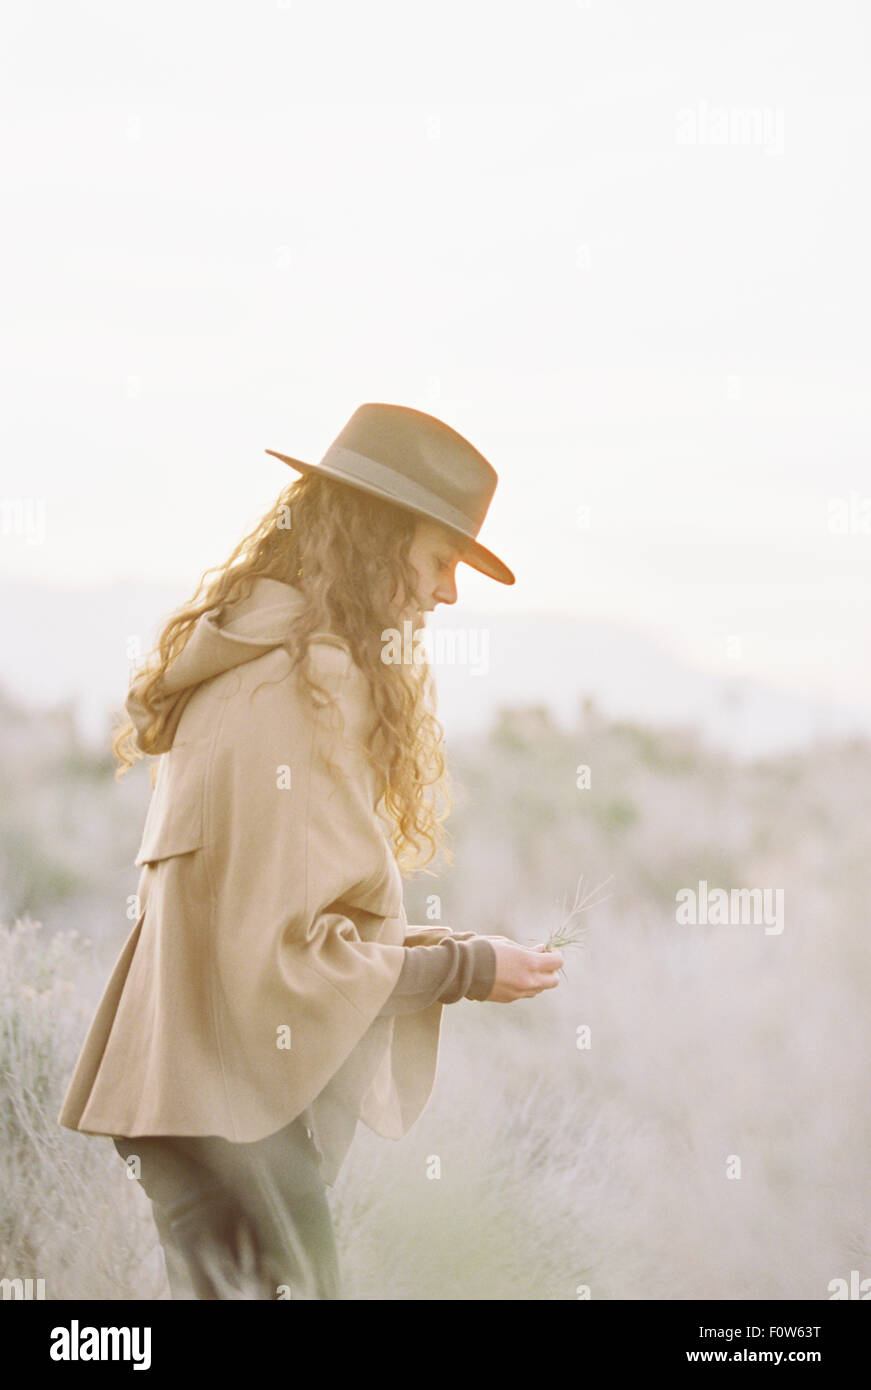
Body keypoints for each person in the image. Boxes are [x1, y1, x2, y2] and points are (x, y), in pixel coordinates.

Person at [57, 402, 563, 1299]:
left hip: (184, 1101)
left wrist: (458, 960)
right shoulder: (301, 687)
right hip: (237, 1117)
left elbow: (261, 936)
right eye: (441, 557)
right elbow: (286, 964)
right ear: (376, 534)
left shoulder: (244, 658)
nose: (448, 592)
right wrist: (470, 967)